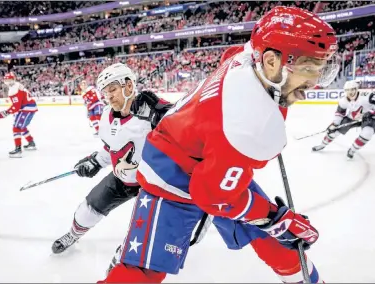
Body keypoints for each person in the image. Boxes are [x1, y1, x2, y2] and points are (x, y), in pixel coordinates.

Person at [102, 6, 339, 283]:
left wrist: (271, 220)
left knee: (272, 237)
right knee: (144, 272)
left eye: (321, 70)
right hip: (171, 172)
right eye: (308, 68)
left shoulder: (248, 57)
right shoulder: (252, 125)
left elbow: (231, 55)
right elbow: (212, 196)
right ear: (272, 61)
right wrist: (275, 218)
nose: (315, 82)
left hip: (211, 157)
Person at [52, 63, 172, 254]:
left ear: (129, 86)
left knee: (150, 226)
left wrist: (168, 115)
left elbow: (185, 130)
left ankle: (136, 255)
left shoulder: (152, 113)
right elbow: (113, 147)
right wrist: (96, 161)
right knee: (88, 208)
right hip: (122, 178)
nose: (109, 97)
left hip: (152, 182)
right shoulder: (107, 115)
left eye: (113, 90)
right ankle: (73, 234)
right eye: (105, 92)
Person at [312, 80, 375, 158]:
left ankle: (352, 150)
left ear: (356, 89)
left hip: (369, 118)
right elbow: (339, 113)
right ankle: (322, 145)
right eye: (347, 90)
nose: (350, 92)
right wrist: (335, 124)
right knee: (333, 132)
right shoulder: (343, 101)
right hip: (352, 118)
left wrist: (372, 112)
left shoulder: (367, 96)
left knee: (367, 133)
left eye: (352, 89)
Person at [0, 72, 38, 158]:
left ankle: (18, 149)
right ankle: (31, 143)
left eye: (9, 80)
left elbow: (16, 106)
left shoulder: (13, 89)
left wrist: (5, 113)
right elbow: (19, 104)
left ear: (13, 80)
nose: (8, 82)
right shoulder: (17, 85)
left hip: (27, 109)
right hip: (28, 108)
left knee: (16, 127)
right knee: (21, 127)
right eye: (6, 80)